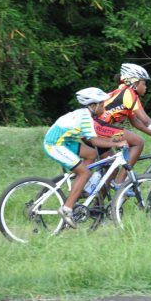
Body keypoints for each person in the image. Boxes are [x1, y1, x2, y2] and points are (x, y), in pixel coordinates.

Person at [43, 88, 127, 228]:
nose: (104, 107)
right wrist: (117, 143)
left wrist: (114, 140)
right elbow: (94, 141)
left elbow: (94, 141)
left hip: (65, 142)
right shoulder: (85, 117)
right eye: (102, 104)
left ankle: (80, 186)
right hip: (54, 144)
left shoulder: (85, 115)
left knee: (91, 155)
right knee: (85, 172)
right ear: (93, 106)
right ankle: (67, 208)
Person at [94, 63, 151, 187]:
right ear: (134, 83)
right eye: (144, 83)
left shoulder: (123, 93)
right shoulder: (128, 93)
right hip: (98, 128)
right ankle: (120, 184)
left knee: (112, 170)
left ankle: (97, 204)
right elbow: (146, 120)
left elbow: (137, 123)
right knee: (138, 142)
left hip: (97, 130)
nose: (146, 87)